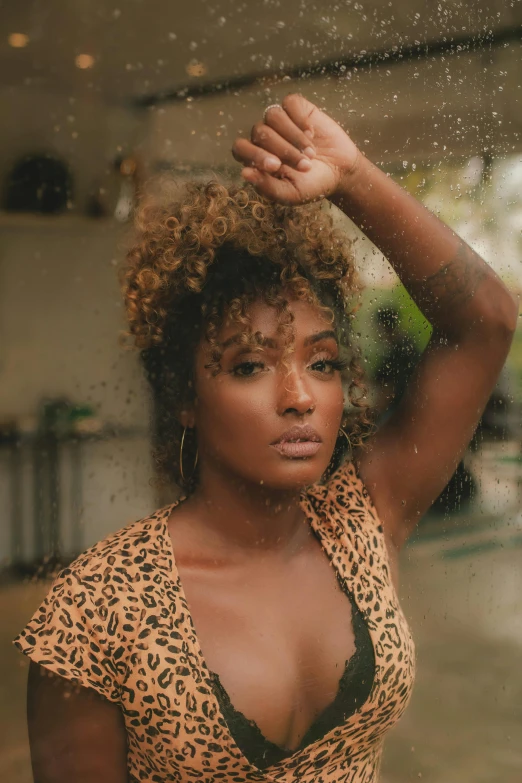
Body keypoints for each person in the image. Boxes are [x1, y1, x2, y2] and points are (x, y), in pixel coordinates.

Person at [14, 94, 517, 783]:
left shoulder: (364, 517)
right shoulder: (98, 610)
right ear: (186, 395)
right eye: (250, 365)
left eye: (322, 362)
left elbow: (484, 319)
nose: (300, 397)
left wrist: (353, 178)